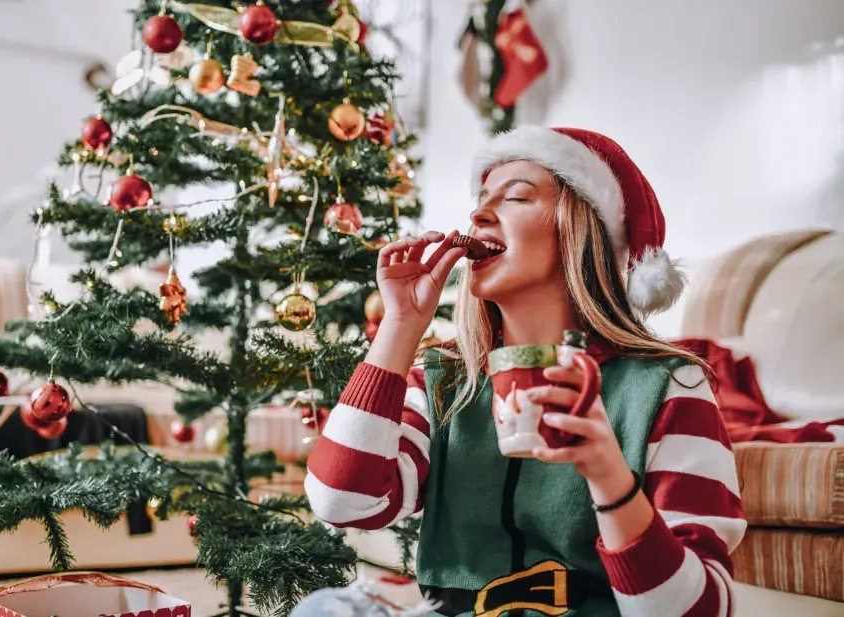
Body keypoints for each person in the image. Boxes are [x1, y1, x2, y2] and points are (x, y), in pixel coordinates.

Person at [305, 127, 746, 617]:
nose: (478, 213)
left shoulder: (671, 387)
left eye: (516, 195)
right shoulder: (444, 382)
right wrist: (400, 326)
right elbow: (341, 503)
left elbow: (701, 610)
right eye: (480, 198)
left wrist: (609, 476)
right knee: (325, 609)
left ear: (580, 231)